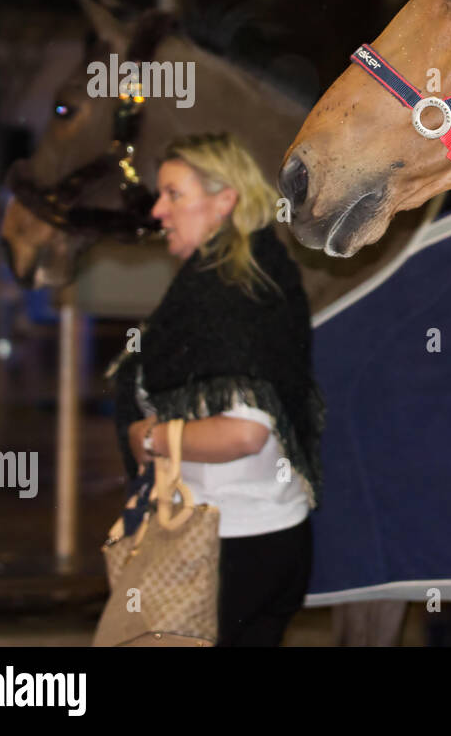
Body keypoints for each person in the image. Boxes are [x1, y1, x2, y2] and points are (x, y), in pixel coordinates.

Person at [114, 133, 323, 647]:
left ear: (225, 198)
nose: (158, 210)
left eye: (174, 194)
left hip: (227, 548)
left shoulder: (229, 288)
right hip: (257, 536)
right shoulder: (254, 270)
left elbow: (243, 434)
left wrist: (148, 439)